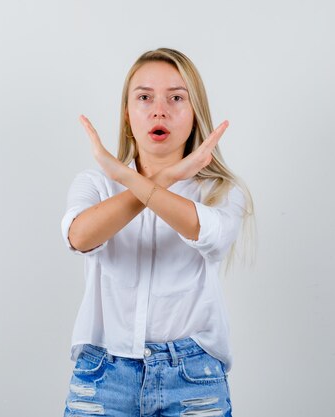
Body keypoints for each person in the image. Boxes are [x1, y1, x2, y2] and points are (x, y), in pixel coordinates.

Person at [60, 48, 254, 417]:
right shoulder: (96, 183)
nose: (159, 110)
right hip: (103, 375)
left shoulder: (222, 191)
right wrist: (161, 178)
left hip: (193, 378)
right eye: (144, 97)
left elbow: (206, 233)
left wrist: (130, 177)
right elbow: (79, 237)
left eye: (176, 98)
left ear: (195, 111)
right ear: (127, 113)